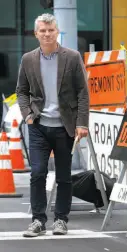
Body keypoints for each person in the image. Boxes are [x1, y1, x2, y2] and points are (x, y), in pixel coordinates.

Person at [16, 13, 89, 237]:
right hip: (38, 125)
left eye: (51, 30)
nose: (47, 34)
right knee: (37, 173)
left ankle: (61, 220)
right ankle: (38, 220)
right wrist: (28, 114)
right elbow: (22, 91)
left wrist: (81, 123)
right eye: (43, 31)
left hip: (64, 127)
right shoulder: (28, 59)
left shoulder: (72, 57)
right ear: (36, 34)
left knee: (64, 175)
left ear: (57, 32)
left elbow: (82, 93)